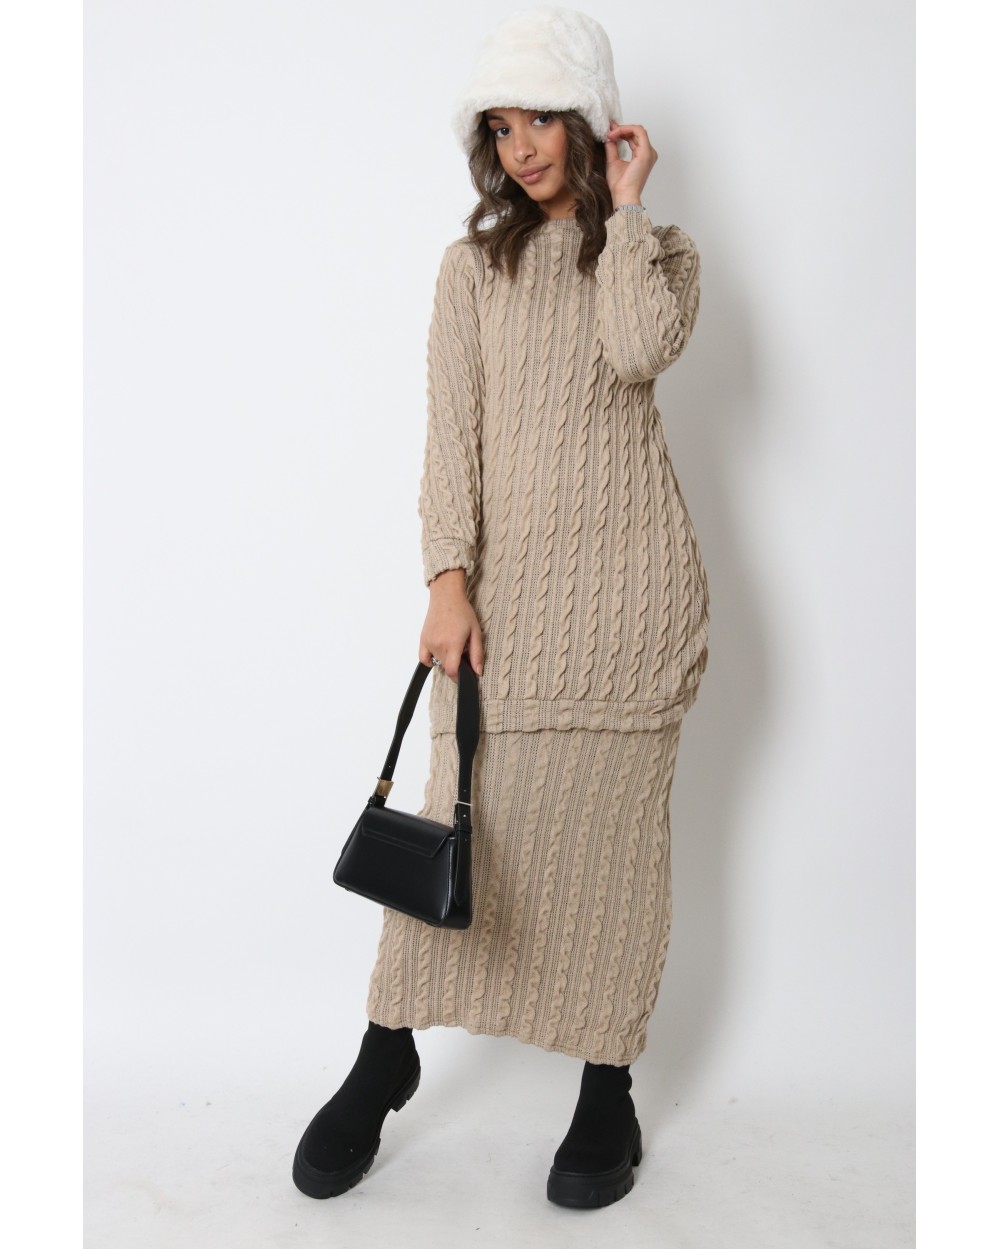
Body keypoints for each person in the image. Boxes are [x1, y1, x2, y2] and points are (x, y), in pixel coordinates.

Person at [293, 5, 709, 1209]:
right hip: (507, 613)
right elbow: (453, 436)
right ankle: (387, 1051)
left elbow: (637, 351)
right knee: (462, 819)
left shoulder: (658, 256)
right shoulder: (471, 270)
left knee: (615, 854)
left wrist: (625, 210)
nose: (520, 147)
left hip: (632, 605)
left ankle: (607, 1085)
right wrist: (446, 579)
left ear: (587, 120)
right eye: (500, 126)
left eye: (539, 120)